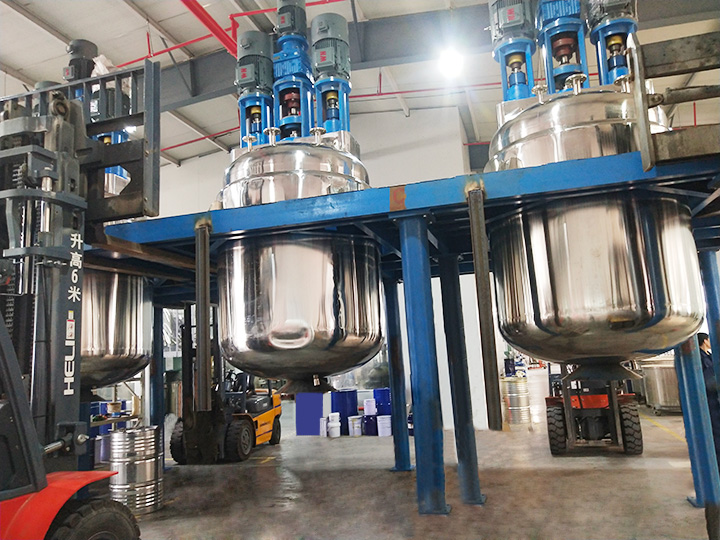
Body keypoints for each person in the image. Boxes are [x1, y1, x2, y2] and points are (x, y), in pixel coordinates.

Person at [698, 332, 720, 469]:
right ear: (705, 341)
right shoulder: (699, 358)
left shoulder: (710, 356)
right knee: (716, 436)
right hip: (710, 403)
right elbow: (708, 382)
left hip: (715, 401)